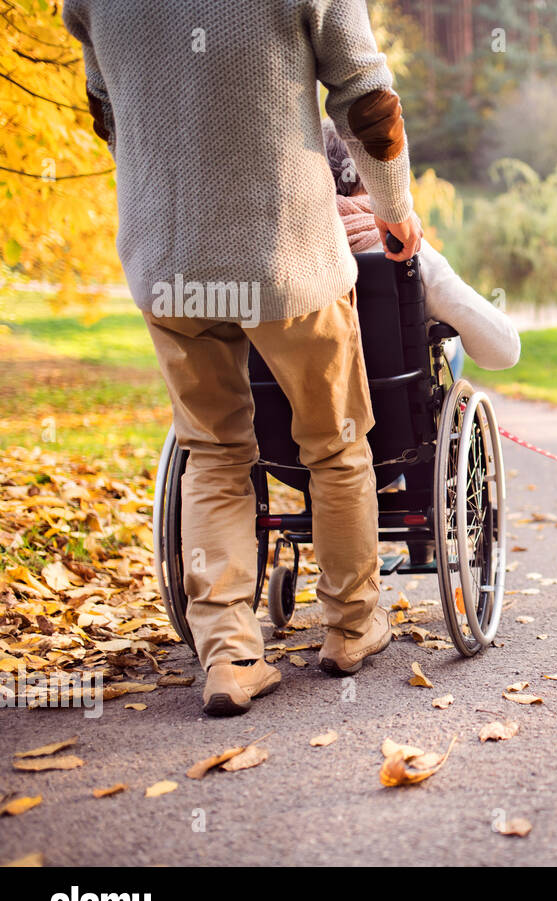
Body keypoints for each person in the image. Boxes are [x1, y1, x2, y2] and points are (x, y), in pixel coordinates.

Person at [64, 0, 423, 716]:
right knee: (337, 444)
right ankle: (352, 626)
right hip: (286, 257)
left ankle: (230, 655)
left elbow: (106, 107)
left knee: (215, 453)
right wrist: (395, 206)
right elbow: (366, 96)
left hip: (169, 261)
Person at [323, 120, 521, 373]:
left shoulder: (288, 254)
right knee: (450, 343)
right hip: (395, 407)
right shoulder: (403, 248)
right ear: (378, 176)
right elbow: (504, 351)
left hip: (306, 408)